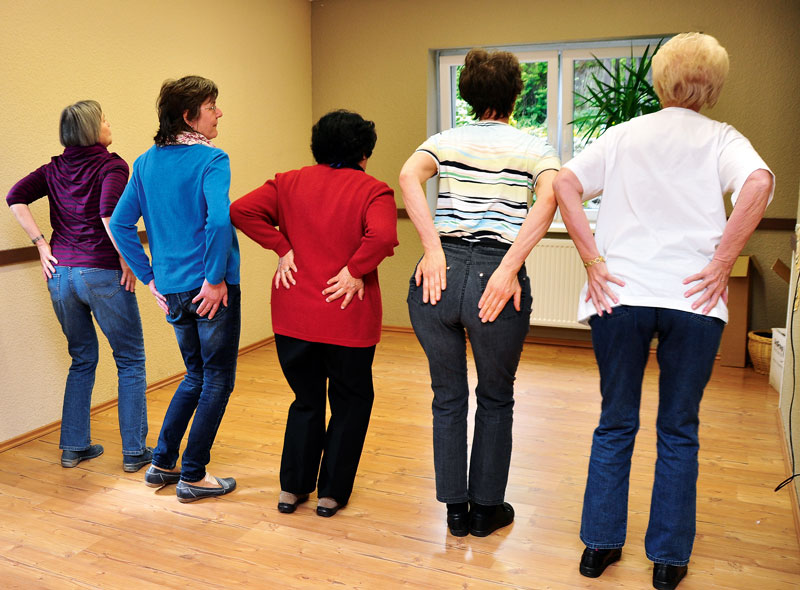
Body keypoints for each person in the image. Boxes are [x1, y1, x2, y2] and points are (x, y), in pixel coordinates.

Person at [552, 33, 774, 590]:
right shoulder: (723, 138)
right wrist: (722, 261)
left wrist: (592, 259)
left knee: (615, 422)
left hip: (619, 296)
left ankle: (600, 546)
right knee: (679, 429)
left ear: (660, 79)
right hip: (693, 300)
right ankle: (669, 559)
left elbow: (565, 183)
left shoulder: (624, 134)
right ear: (713, 86)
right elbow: (759, 182)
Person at [399, 49, 560, 537]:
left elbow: (408, 176)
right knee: (495, 397)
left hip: (438, 278)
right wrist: (509, 267)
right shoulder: (535, 148)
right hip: (496, 278)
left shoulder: (443, 141)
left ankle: (454, 511)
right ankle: (486, 511)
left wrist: (432, 250)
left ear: (468, 93)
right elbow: (551, 195)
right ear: (515, 94)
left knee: (446, 397)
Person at [230, 110, 398, 517]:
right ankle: (330, 494)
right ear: (363, 151)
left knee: (305, 400)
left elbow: (240, 211)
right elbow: (385, 236)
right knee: (351, 402)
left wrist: (282, 247)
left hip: (294, 315)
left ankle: (292, 490)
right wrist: (355, 269)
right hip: (347, 316)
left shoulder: (287, 182)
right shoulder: (374, 190)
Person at [110, 76, 241, 503]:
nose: (218, 112)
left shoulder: (145, 162)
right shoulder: (212, 158)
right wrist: (216, 278)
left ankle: (163, 463)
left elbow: (119, 223)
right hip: (210, 289)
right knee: (217, 379)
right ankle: (193, 475)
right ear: (189, 116)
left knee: (195, 375)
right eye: (211, 105)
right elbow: (219, 221)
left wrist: (149, 277)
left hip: (172, 290)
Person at [6, 101, 150, 472]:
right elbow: (108, 215)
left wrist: (43, 244)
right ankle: (135, 452)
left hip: (61, 276)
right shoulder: (112, 164)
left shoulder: (54, 168)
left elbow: (14, 196)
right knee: (130, 360)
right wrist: (127, 260)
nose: (108, 123)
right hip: (100, 272)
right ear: (91, 128)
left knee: (82, 359)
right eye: (104, 118)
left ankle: (73, 447)